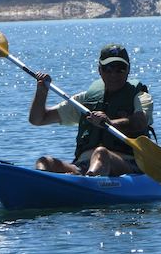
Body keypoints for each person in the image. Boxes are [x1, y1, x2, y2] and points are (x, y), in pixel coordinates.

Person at [28, 44, 154, 177]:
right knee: (45, 162)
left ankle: (88, 185)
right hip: (82, 167)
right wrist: (42, 91)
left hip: (127, 164)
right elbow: (38, 119)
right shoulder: (85, 100)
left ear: (128, 69)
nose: (113, 74)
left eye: (120, 69)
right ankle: (41, 183)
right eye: (108, 68)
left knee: (101, 154)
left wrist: (110, 123)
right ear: (100, 70)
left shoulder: (140, 97)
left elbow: (140, 121)